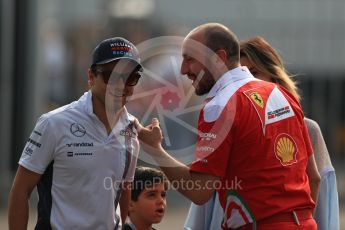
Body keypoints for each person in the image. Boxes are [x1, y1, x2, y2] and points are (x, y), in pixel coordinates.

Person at [137, 23, 320, 229]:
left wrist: (155, 148)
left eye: (190, 59)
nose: (183, 69)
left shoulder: (220, 105)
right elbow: (313, 177)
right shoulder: (281, 93)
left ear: (220, 57)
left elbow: (199, 191)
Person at [184, 36, 339, 230]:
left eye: (255, 73)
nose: (248, 82)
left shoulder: (307, 127)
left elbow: (322, 189)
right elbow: (203, 204)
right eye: (242, 75)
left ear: (274, 77)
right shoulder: (227, 120)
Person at [8, 37, 143, 229]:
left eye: (130, 78)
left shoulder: (131, 131)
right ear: (90, 77)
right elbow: (21, 191)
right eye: (110, 76)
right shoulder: (53, 123)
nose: (120, 85)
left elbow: (124, 190)